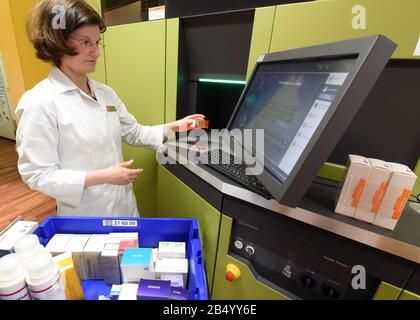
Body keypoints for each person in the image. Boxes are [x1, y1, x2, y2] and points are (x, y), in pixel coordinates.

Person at [15, 0, 205, 217]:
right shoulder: (40, 102)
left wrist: (175, 126)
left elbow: (134, 133)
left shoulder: (105, 93)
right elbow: (38, 175)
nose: (95, 53)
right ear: (58, 41)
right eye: (86, 42)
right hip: (86, 214)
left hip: (123, 204)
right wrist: (103, 177)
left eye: (97, 42)